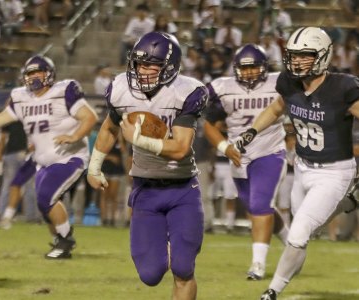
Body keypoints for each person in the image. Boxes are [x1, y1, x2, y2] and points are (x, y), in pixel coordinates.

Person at [231, 28, 359, 300]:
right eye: (294, 56)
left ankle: (272, 291)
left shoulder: (343, 87)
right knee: (307, 232)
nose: (297, 62)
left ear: (323, 56)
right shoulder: (289, 83)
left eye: (305, 56)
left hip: (334, 172)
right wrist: (251, 132)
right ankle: (350, 202)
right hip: (302, 168)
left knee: (298, 233)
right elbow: (277, 108)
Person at [87, 31, 209, 300]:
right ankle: (167, 246)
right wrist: (94, 166)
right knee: (150, 274)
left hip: (183, 190)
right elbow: (109, 127)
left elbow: (180, 148)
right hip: (145, 190)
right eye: (140, 64)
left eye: (151, 65)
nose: (143, 71)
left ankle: (178, 249)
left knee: (183, 268)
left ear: (170, 67)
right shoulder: (121, 89)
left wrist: (138, 139)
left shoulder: (186, 92)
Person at [0, 55, 98, 259]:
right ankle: (59, 241)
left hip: (70, 157)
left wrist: (75, 136)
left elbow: (90, 117)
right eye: (30, 73)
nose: (34, 76)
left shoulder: (63, 91)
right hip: (42, 160)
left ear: (49, 74)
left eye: (38, 72)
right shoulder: (20, 97)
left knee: (47, 195)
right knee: (44, 203)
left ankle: (65, 241)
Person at [204, 43, 289, 281]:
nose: (249, 72)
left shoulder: (278, 82)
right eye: (244, 68)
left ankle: (258, 265)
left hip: (270, 151)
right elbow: (208, 123)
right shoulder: (224, 88)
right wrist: (224, 147)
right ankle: (292, 243)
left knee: (261, 204)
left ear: (264, 67)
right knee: (258, 207)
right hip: (239, 156)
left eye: (254, 68)